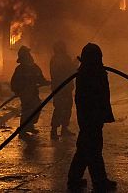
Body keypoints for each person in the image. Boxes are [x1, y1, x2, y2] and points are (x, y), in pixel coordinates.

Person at [67, 43, 116, 192]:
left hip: (91, 116)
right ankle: (99, 181)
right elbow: (93, 97)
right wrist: (98, 115)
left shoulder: (89, 72)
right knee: (92, 148)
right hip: (91, 117)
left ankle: (75, 179)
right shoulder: (91, 74)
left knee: (85, 148)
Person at [10, 45, 49, 136]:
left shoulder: (34, 67)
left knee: (36, 108)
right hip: (25, 94)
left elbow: (40, 78)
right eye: (27, 54)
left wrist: (45, 82)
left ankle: (30, 126)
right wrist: (17, 91)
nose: (29, 56)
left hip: (33, 93)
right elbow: (14, 81)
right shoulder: (20, 69)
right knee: (27, 110)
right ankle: (23, 129)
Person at [49, 40, 76, 139]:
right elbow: (65, 72)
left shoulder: (64, 58)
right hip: (59, 88)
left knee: (67, 108)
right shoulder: (56, 59)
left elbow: (71, 71)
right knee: (59, 108)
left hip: (66, 88)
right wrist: (73, 65)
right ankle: (54, 130)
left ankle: (64, 129)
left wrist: (74, 64)